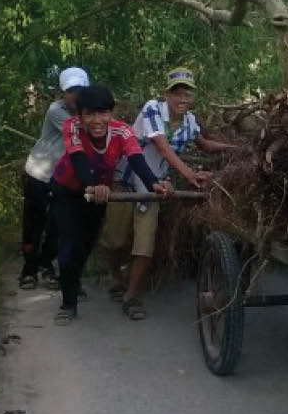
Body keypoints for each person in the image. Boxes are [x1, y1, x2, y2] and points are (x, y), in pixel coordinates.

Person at [99, 66, 237, 320]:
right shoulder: (153, 109)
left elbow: (204, 145)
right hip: (127, 180)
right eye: (177, 94)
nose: (182, 99)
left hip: (154, 187)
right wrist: (189, 175)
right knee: (115, 239)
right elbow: (162, 147)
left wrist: (234, 148)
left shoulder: (190, 122)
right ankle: (115, 276)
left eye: (187, 94)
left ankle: (131, 296)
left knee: (145, 241)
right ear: (167, 94)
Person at [49, 85, 171, 326]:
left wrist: (154, 184)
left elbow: (137, 160)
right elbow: (79, 160)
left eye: (103, 113)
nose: (97, 121)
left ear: (111, 113)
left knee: (85, 244)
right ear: (80, 116)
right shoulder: (71, 127)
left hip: (100, 194)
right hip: (68, 190)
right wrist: (93, 185)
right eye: (90, 114)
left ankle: (73, 280)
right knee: (68, 246)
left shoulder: (122, 132)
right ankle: (68, 304)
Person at [19, 67, 89, 290]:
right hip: (39, 173)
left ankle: (46, 264)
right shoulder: (56, 111)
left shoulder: (89, 112)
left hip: (65, 178)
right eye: (70, 91)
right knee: (34, 224)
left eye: (80, 90)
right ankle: (28, 269)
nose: (75, 95)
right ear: (62, 93)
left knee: (58, 224)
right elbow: (84, 129)